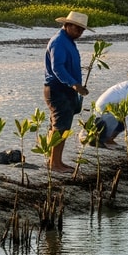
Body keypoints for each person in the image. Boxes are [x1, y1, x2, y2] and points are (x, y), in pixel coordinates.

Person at [44, 10, 92, 172]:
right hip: (58, 90)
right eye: (77, 28)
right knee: (60, 128)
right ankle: (54, 164)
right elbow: (57, 68)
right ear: (67, 25)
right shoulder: (59, 42)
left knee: (59, 126)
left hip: (65, 89)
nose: (80, 32)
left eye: (82, 30)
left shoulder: (68, 41)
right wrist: (74, 84)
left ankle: (55, 161)